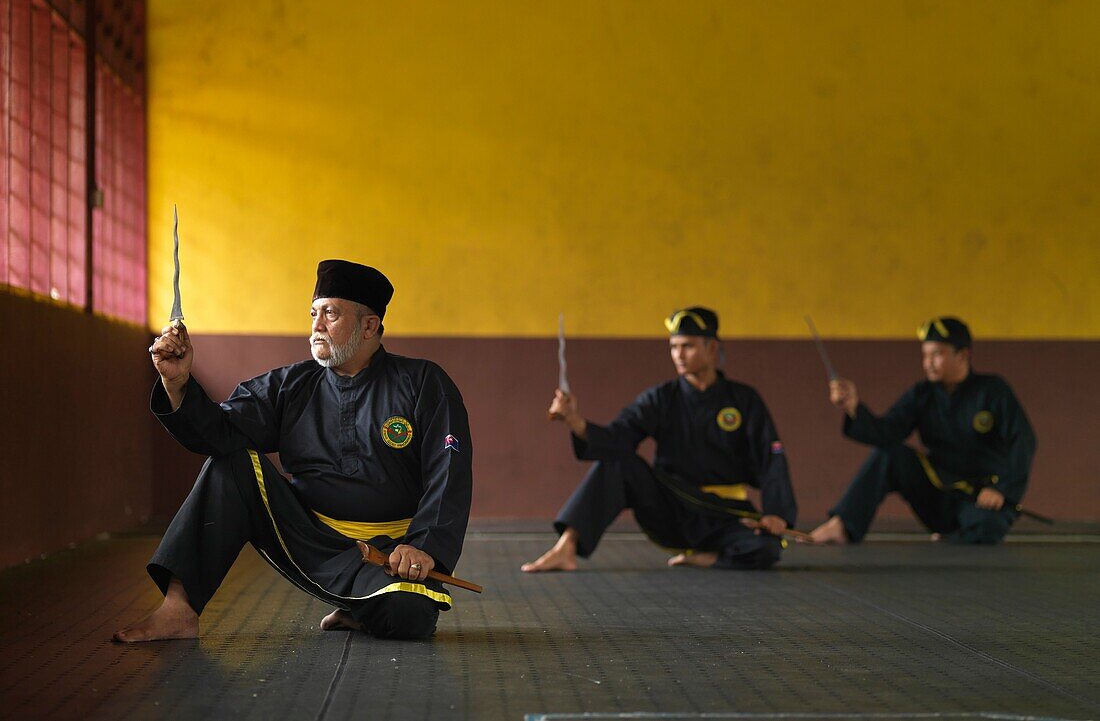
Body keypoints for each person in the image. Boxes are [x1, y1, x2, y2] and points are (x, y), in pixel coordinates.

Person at [114, 260, 472, 642]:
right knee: (230, 463)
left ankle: (361, 607)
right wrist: (178, 382)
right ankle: (178, 610)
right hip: (306, 539)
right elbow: (218, 434)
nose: (316, 326)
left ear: (369, 326)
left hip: (384, 553)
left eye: (330, 314)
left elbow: (448, 470)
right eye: (314, 314)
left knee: (409, 616)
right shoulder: (289, 386)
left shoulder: (423, 382)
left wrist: (423, 548)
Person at [522, 307, 797, 573]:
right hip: (671, 508)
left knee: (768, 547)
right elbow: (619, 437)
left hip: (724, 512)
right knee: (618, 462)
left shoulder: (744, 400)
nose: (678, 355)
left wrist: (777, 514)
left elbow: (771, 456)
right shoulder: (661, 398)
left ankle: (707, 558)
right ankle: (567, 547)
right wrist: (575, 422)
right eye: (674, 347)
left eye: (687, 346)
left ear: (712, 348)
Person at [811, 316, 1036, 545]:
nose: (928, 363)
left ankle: (956, 535)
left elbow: (1023, 441)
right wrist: (853, 407)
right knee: (889, 455)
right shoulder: (922, 394)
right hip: (939, 497)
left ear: (963, 355)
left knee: (987, 527)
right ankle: (842, 526)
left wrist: (1001, 490)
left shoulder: (993, 391)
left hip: (981, 499)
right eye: (925, 355)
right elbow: (886, 433)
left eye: (937, 354)